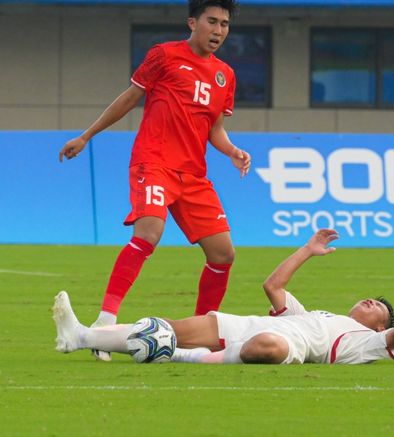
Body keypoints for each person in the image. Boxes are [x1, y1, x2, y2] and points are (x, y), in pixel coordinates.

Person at [58, 0, 251, 361]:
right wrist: (87, 135)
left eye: (225, 24)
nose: (219, 30)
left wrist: (232, 150)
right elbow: (130, 98)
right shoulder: (163, 55)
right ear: (193, 22)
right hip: (155, 162)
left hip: (193, 176)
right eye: (212, 21)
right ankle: (104, 323)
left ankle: (201, 331)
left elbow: (215, 128)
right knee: (148, 232)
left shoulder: (225, 74)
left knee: (224, 254)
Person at [52, 229, 394, 365]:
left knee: (267, 346)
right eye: (370, 299)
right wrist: (306, 249)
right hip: (249, 325)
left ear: (378, 326)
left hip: (287, 346)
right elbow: (273, 287)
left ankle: (184, 357)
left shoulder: (367, 343)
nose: (371, 303)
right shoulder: (317, 313)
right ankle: (79, 337)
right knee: (165, 327)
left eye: (378, 309)